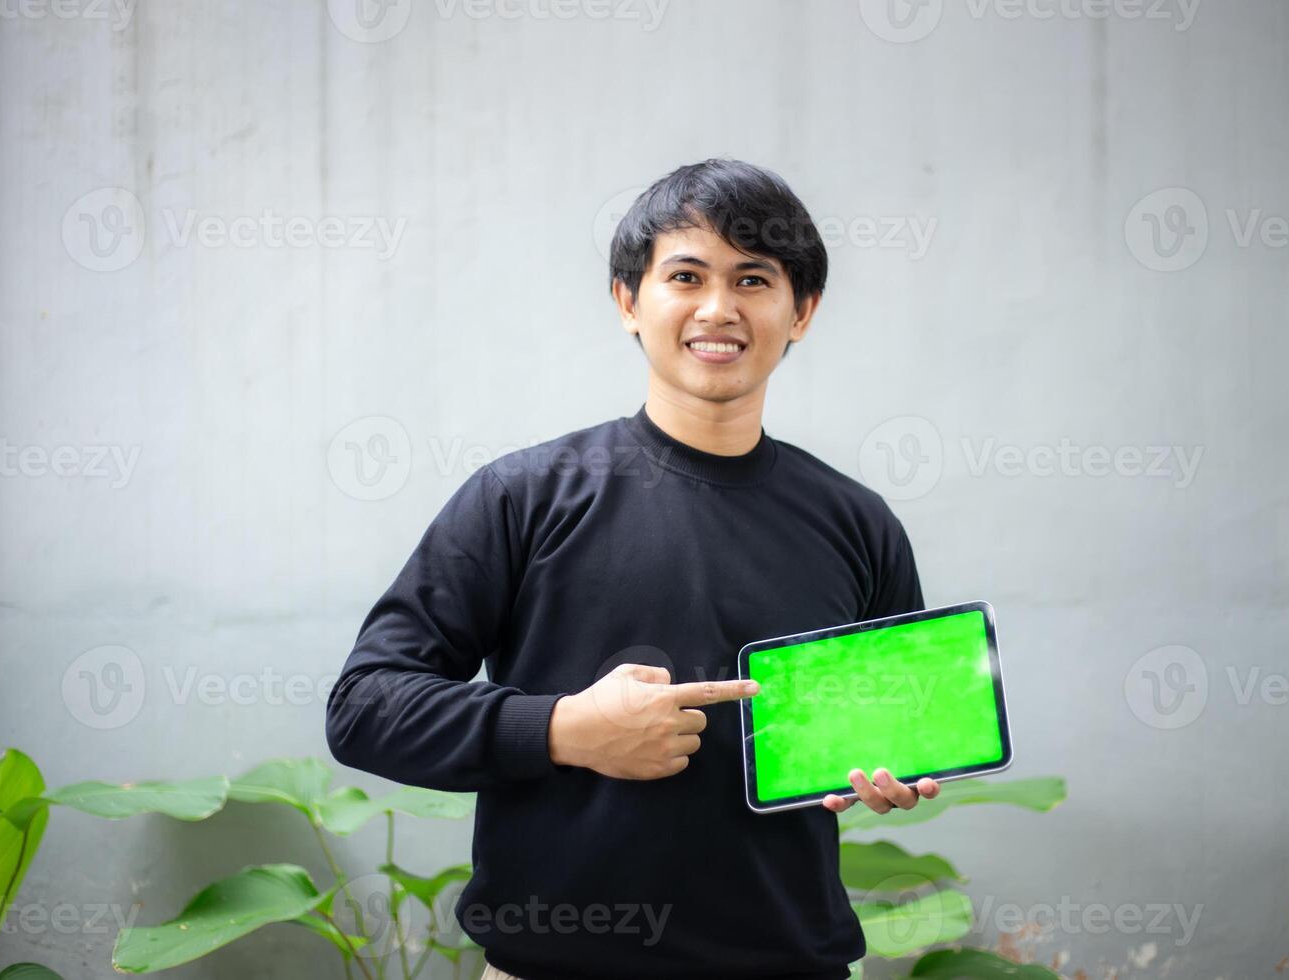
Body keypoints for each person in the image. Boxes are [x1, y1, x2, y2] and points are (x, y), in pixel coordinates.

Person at [325, 158, 937, 980]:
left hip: (792, 963)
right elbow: (365, 705)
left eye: (754, 279)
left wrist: (884, 766)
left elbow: (887, 725)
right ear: (628, 301)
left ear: (802, 313)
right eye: (686, 275)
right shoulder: (523, 496)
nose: (718, 308)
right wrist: (564, 730)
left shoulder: (857, 523)